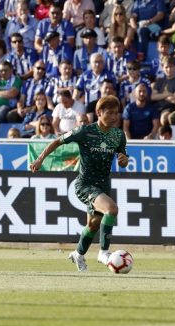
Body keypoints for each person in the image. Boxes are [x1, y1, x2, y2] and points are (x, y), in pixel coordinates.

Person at [30, 96, 129, 272]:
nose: (114, 117)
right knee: (112, 209)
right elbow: (57, 141)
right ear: (99, 113)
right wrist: (39, 160)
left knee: (93, 224)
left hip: (103, 185)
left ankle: (78, 254)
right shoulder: (84, 131)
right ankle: (104, 252)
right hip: (85, 184)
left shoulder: (119, 135)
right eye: (110, 113)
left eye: (116, 113)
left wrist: (123, 160)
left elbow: (123, 159)